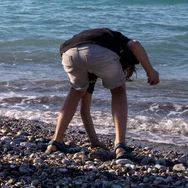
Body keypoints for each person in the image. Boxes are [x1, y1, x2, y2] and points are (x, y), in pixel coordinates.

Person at [46, 28, 160, 160]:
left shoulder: (92, 72)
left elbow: (85, 110)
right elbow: (135, 44)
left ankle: (55, 142)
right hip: (98, 53)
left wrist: (94, 141)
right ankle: (120, 145)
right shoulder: (120, 45)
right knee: (118, 90)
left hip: (69, 53)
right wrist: (150, 71)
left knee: (76, 91)